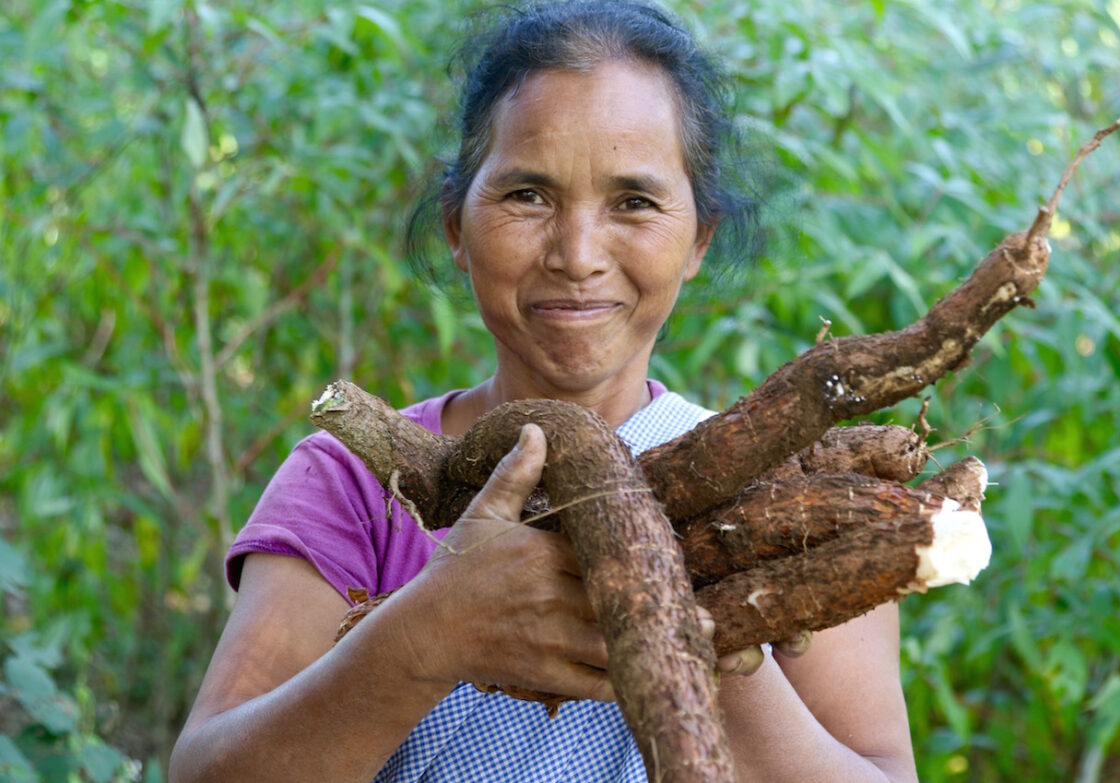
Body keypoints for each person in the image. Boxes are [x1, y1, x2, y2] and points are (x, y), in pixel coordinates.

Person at [170, 2, 919, 781]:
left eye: (634, 201)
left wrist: (703, 621)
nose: (578, 254)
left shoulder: (788, 498)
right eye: (529, 195)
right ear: (458, 224)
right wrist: (431, 631)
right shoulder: (355, 482)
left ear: (698, 237)